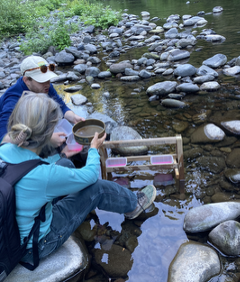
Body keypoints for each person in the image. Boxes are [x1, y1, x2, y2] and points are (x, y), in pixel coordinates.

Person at [0, 92, 156, 265]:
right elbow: (90, 176)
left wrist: (50, 143)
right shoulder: (43, 174)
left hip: (12, 232)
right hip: (35, 245)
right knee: (98, 189)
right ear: (47, 132)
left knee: (65, 164)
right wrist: (94, 149)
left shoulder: (5, 148)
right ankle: (133, 204)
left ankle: (80, 203)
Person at [0, 55, 84, 148]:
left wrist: (73, 117)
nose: (47, 84)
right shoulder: (13, 100)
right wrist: (46, 139)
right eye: (42, 81)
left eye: (48, 79)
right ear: (26, 80)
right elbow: (4, 138)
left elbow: (61, 106)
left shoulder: (45, 87)